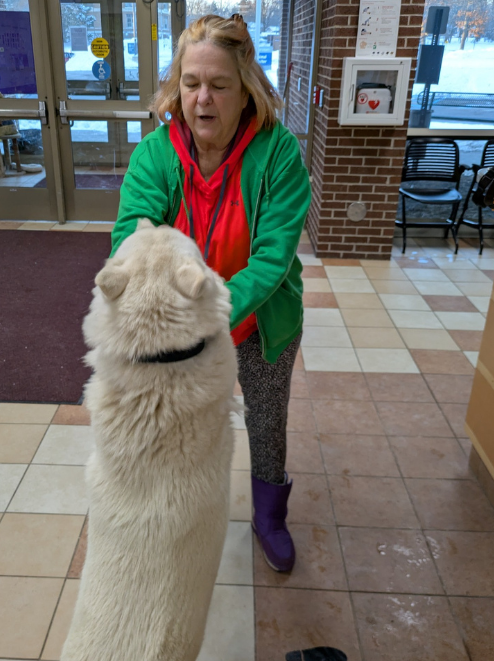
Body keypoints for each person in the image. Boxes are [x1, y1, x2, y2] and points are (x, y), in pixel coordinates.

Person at [112, 14, 311, 573]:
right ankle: (174, 511)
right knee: (178, 420)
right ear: (177, 85)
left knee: (266, 418)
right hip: (178, 324)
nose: (203, 99)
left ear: (245, 89)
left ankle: (270, 516)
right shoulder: (155, 155)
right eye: (191, 83)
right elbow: (132, 235)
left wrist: (210, 312)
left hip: (260, 321)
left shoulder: (279, 154)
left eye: (219, 85)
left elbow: (272, 258)